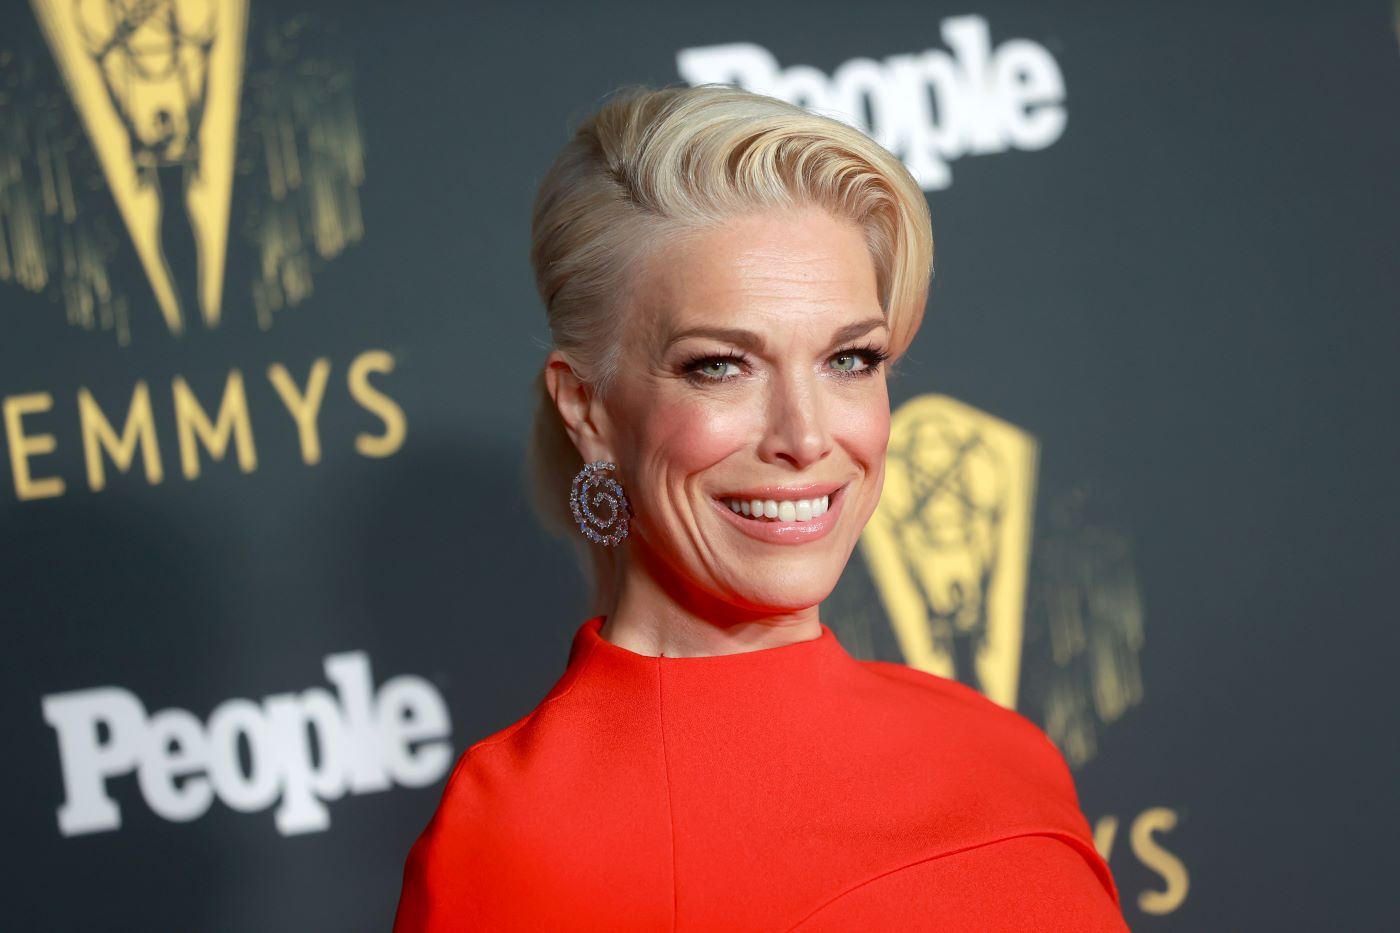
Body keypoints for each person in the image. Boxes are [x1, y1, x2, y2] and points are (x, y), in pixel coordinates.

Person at [392, 83, 1129, 932]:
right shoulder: (526, 841)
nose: (805, 436)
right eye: (720, 365)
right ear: (587, 407)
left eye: (849, 359)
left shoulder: (999, 746)